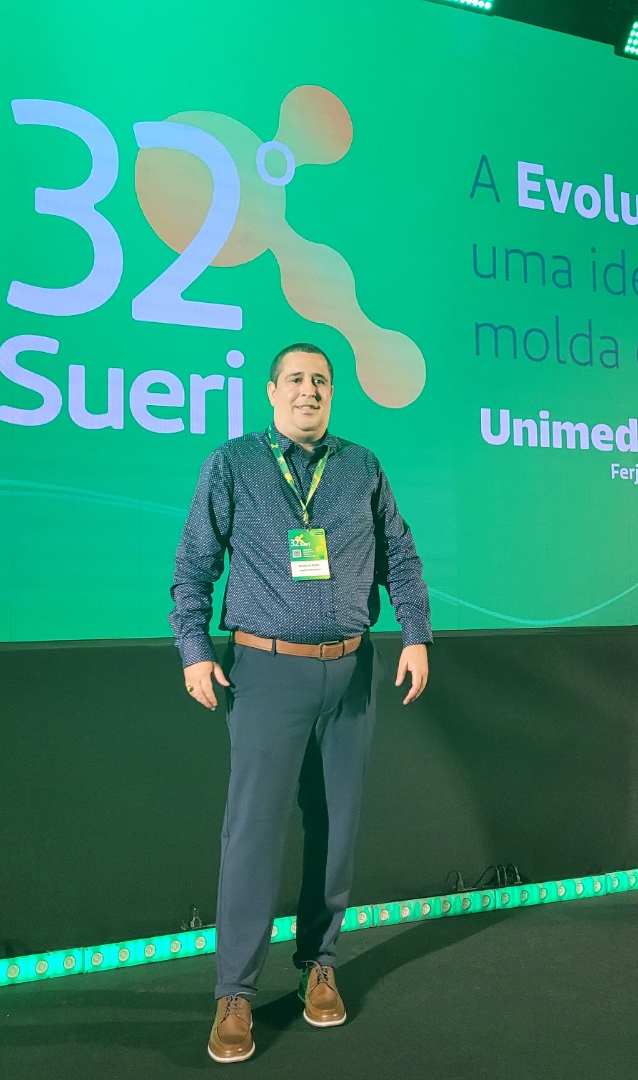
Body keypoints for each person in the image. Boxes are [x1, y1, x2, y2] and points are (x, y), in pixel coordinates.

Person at [170, 342, 431, 1064]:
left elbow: (400, 556)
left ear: (332, 394)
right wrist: (193, 648)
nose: (308, 390)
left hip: (350, 672)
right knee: (253, 832)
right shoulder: (232, 464)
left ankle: (320, 964)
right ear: (271, 391)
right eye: (295, 379)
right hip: (265, 672)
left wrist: (416, 635)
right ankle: (234, 993)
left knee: (336, 826)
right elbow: (193, 565)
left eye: (320, 380)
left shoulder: (362, 467)